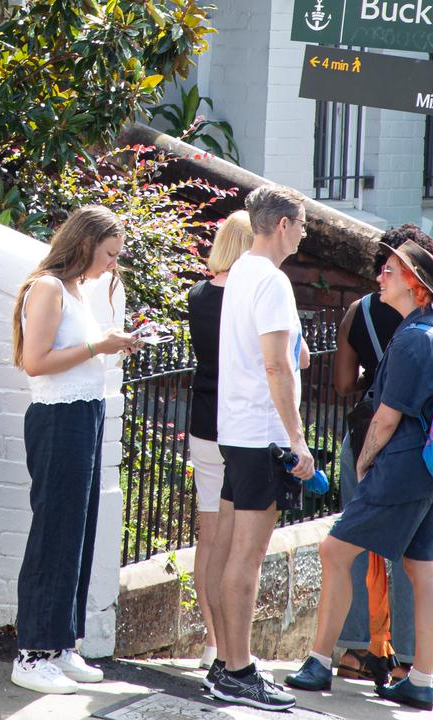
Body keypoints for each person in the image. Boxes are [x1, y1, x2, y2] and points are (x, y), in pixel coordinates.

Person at [286, 240, 433, 711]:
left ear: (414, 285)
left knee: (334, 550)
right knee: (424, 570)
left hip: (401, 467)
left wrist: (363, 464)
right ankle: (419, 679)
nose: (380, 276)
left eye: (390, 270)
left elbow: (386, 417)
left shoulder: (414, 337)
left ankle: (319, 662)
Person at [8, 205, 137, 695]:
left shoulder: (76, 289)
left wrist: (108, 345)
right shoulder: (47, 287)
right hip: (59, 418)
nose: (112, 265)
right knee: (54, 532)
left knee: (78, 533)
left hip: (84, 414)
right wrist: (98, 347)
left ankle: (60, 644)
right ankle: (32, 652)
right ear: (84, 244)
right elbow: (34, 361)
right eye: (109, 254)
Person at [202, 185, 311, 712]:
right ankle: (238, 671)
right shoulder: (271, 280)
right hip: (262, 435)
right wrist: (297, 438)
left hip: (236, 432)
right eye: (304, 223)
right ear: (284, 223)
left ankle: (227, 662)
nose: (307, 232)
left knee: (227, 550)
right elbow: (276, 365)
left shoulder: (242, 269)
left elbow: (278, 356)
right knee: (246, 557)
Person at [329, 225, 433, 683]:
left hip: (369, 434)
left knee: (353, 549)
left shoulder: (358, 312)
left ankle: (356, 648)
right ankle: (410, 658)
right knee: (417, 559)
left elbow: (340, 384)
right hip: (418, 447)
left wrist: (374, 386)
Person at [185, 209, 253, 670]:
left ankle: (212, 640)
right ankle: (230, 648)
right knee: (236, 541)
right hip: (241, 426)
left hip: (202, 422)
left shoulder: (197, 295)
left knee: (208, 538)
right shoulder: (251, 298)